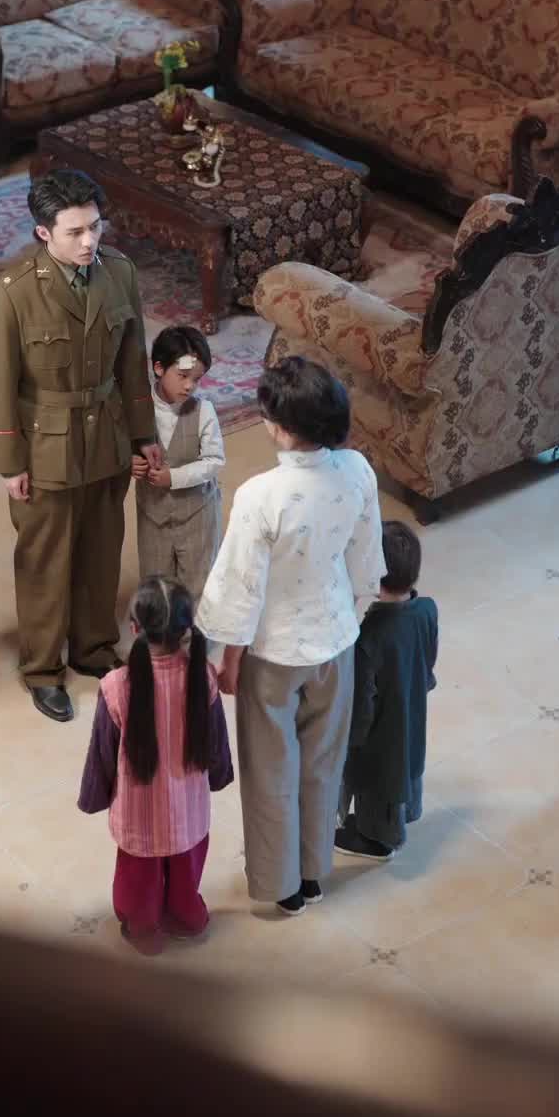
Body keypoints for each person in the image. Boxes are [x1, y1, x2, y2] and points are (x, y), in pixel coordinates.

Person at [198, 356, 385, 915]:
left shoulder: (261, 494)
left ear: (279, 427)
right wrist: (349, 617)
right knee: (323, 764)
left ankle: (283, 886)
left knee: (270, 771)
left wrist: (229, 659)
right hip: (336, 639)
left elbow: (241, 588)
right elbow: (365, 560)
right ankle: (313, 871)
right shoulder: (357, 471)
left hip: (273, 653)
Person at [0, 168, 160, 725]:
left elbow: (132, 362)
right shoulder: (13, 294)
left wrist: (144, 435)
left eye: (95, 227)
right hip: (46, 447)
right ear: (43, 233)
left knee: (102, 548)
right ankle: (41, 669)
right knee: (46, 560)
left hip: (107, 435)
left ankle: (94, 648)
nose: (89, 242)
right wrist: (10, 464)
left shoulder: (119, 273)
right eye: (75, 232)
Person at [77, 576, 234, 954]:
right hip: (189, 812)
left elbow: (102, 753)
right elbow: (216, 742)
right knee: (185, 873)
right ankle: (187, 918)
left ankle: (144, 930)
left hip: (139, 816)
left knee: (138, 882)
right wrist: (219, 776)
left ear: (134, 628)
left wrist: (95, 796)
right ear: (185, 628)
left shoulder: (115, 686)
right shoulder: (203, 676)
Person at [337, 520, 438, 860]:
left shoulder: (368, 639)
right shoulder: (427, 609)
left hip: (379, 739)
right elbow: (428, 660)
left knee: (380, 789)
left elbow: (362, 708)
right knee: (407, 767)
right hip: (412, 711)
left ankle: (378, 842)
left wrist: (349, 743)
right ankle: (400, 817)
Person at [133, 324, 225, 602]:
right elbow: (122, 443)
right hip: (153, 514)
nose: (189, 386)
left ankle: (195, 630)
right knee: (155, 585)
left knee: (198, 583)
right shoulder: (139, 410)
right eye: (183, 376)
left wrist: (173, 477)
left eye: (197, 379)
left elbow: (214, 461)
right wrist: (130, 462)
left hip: (197, 513)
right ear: (159, 368)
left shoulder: (203, 410)